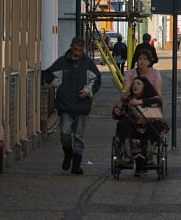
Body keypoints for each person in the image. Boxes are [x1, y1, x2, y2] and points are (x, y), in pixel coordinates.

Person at [43, 36, 101, 175]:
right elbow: (48, 74)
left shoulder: (88, 64)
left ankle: (76, 163)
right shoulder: (62, 62)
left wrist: (87, 91)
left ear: (83, 50)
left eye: (80, 50)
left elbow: (96, 80)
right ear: (71, 47)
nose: (77, 52)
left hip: (81, 105)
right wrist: (60, 86)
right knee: (64, 133)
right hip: (66, 104)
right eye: (75, 49)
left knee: (79, 135)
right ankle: (68, 152)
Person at [112, 76, 166, 175]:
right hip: (132, 132)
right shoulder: (128, 99)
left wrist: (139, 102)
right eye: (133, 83)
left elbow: (158, 102)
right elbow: (115, 115)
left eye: (138, 83)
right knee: (122, 123)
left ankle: (149, 158)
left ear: (145, 86)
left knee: (157, 124)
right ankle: (128, 157)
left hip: (149, 131)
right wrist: (121, 101)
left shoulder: (153, 98)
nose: (135, 85)